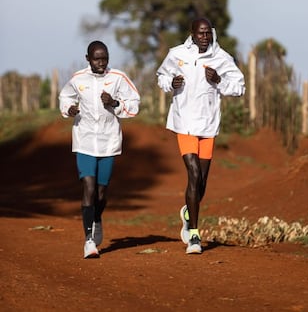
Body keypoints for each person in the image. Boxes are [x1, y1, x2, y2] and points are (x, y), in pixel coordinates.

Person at [156, 18, 245, 254]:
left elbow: (239, 87)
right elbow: (161, 77)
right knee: (193, 173)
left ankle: (187, 212)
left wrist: (219, 81)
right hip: (184, 122)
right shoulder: (177, 54)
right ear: (192, 34)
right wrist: (170, 82)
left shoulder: (222, 58)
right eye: (200, 33)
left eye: (208, 33)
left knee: (201, 183)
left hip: (208, 125)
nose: (205, 37)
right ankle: (194, 235)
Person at [59, 40, 140, 259]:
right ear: (88, 59)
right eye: (97, 58)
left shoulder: (118, 78)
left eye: (105, 58)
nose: (101, 62)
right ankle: (88, 241)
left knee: (102, 193)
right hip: (84, 140)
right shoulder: (78, 79)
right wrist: (69, 108)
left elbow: (134, 103)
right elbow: (64, 97)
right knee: (88, 185)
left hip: (108, 141)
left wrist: (115, 103)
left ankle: (96, 218)